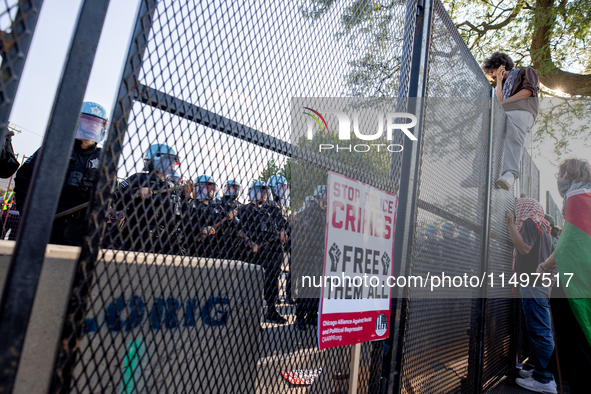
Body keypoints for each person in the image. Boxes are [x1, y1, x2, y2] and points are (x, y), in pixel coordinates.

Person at [15, 102, 107, 246]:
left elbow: (110, 192)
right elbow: (23, 179)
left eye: (97, 123)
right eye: (88, 121)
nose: (93, 126)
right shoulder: (55, 147)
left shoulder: (104, 158)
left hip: (81, 229)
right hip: (48, 223)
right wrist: (27, 212)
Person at [536, 158, 591, 393]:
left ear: (568, 174)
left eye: (560, 175)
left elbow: (569, 245)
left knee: (575, 341)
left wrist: (546, 266)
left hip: (575, 284)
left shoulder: (577, 199)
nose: (558, 180)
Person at [505, 197, 556, 393]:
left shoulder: (529, 222)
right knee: (541, 331)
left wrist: (511, 225)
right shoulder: (546, 230)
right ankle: (541, 372)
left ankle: (545, 380)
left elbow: (524, 248)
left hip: (532, 286)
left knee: (541, 333)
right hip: (541, 287)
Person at [115, 143, 187, 254]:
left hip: (166, 241)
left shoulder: (174, 187)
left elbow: (182, 215)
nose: (172, 164)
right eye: (169, 160)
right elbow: (117, 197)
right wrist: (136, 191)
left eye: (173, 161)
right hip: (138, 237)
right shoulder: (139, 178)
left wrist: (186, 198)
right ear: (156, 158)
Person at [481, 52, 539, 190]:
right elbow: (498, 101)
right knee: (486, 131)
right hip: (505, 113)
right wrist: (500, 82)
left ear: (501, 66)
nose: (493, 76)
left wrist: (505, 102)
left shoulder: (526, 71)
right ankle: (480, 170)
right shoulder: (501, 85)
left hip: (522, 111)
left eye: (493, 72)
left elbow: (528, 92)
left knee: (514, 133)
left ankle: (510, 174)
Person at [240, 180, 288, 324]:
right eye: (262, 191)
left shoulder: (268, 210)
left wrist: (282, 234)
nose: (265, 194)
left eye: (266, 191)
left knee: (272, 283)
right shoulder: (245, 209)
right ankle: (249, 318)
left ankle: (271, 311)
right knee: (253, 285)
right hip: (255, 253)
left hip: (271, 254)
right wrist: (250, 243)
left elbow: (279, 227)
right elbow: (239, 230)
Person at [294, 185, 326, 331]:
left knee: (316, 288)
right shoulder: (311, 212)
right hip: (308, 254)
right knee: (305, 287)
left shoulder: (325, 213)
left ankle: (312, 316)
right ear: (319, 196)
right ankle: (300, 318)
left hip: (319, 255)